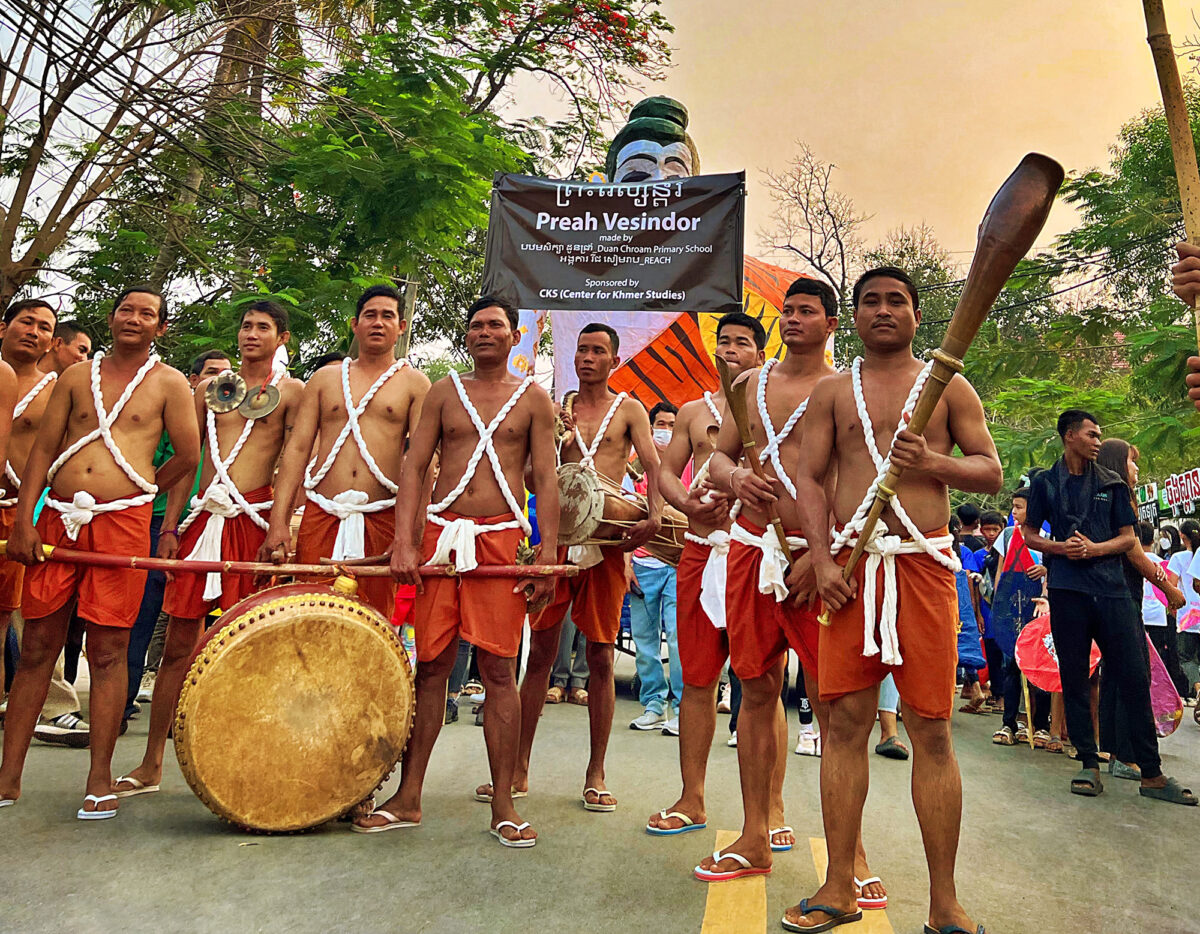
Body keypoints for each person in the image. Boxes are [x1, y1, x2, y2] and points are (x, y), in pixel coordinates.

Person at [794, 266, 1002, 933]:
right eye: (871, 301)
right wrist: (821, 558)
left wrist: (933, 463)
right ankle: (838, 885)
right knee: (846, 726)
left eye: (897, 301)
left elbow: (990, 472)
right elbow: (808, 478)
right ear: (853, 317)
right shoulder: (833, 390)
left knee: (933, 730)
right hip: (852, 573)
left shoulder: (949, 386)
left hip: (923, 569)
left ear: (917, 314)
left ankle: (945, 903)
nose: (884, 311)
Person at [355, 296, 558, 846]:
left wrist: (547, 555)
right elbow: (415, 466)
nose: (484, 332)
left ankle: (504, 803)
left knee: (497, 671)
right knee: (431, 667)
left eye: (495, 325)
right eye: (475, 326)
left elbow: (547, 478)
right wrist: (404, 541)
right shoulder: (445, 392)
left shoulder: (535, 398)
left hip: (500, 541)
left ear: (515, 336)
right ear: (464, 336)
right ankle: (408, 796)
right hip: (442, 537)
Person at [698, 278, 874, 894]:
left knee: (836, 705)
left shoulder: (848, 389)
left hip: (815, 561)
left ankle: (852, 853)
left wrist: (823, 554)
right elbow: (715, 458)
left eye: (808, 312)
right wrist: (737, 478)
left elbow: (861, 476)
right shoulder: (748, 385)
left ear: (832, 324)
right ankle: (753, 833)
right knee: (753, 688)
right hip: (751, 549)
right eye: (789, 311)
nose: (795, 319)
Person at [0, 284, 199, 818]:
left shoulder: (170, 383)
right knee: (38, 644)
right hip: (59, 518)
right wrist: (24, 519)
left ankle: (100, 778)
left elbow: (189, 452)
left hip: (123, 523)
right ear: (111, 318)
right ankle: (8, 777)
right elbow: (43, 447)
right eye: (126, 310)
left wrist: (141, 486)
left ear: (160, 327)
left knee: (108, 651)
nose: (134, 318)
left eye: (147, 314)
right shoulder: (74, 376)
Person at [111, 302, 303, 800]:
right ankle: (153, 760)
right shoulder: (206, 390)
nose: (251, 334)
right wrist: (171, 525)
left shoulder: (293, 392)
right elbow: (189, 458)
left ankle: (246, 765)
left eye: (263, 327)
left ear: (282, 337)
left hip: (255, 521)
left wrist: (280, 525)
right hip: (203, 520)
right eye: (246, 326)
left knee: (253, 647)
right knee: (177, 644)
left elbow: (298, 461)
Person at [496, 323, 660, 813]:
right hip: (558, 540)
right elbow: (530, 475)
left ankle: (596, 773)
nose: (587, 358)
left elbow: (652, 463)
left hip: (606, 541)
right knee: (541, 653)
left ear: (613, 359)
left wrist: (652, 515)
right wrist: (555, 441)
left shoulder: (629, 408)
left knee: (601, 656)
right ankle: (517, 769)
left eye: (598, 351)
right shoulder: (551, 409)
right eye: (582, 350)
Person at [1023, 412, 1195, 805]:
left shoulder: (1112, 483)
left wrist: (1093, 550)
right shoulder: (1045, 483)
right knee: (1074, 675)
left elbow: (1127, 539)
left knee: (1133, 676)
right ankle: (1088, 763)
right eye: (1092, 434)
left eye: (1100, 435)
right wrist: (1057, 548)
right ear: (1070, 436)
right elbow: (1030, 533)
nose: (1098, 441)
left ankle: (1151, 773)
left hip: (1112, 591)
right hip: (1067, 590)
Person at [645, 311, 764, 836]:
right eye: (724, 341)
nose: (730, 349)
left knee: (757, 682)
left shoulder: (774, 403)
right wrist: (687, 507)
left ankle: (772, 810)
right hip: (700, 548)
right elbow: (667, 474)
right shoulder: (694, 411)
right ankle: (691, 798)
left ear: (761, 353)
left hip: (754, 552)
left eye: (742, 342)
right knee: (697, 679)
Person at [262, 284, 429, 617]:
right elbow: (297, 450)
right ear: (355, 325)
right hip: (321, 515)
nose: (378, 323)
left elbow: (421, 463)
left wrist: (411, 536)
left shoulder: (415, 384)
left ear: (402, 326)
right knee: (307, 615)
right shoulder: (325, 378)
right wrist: (278, 523)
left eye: (387, 316)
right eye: (370, 315)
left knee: (372, 624)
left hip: (382, 519)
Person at [124, 348, 232, 719]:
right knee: (145, 615)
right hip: (156, 520)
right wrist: (157, 504)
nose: (220, 380)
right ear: (193, 379)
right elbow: (162, 460)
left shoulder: (233, 411)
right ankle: (123, 700)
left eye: (225, 373)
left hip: (213, 520)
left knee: (202, 623)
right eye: (212, 373)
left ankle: (191, 712)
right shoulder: (172, 408)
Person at [0, 301, 67, 740]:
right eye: (27, 322)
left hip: (25, 514)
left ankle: (55, 707)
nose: (35, 332)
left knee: (24, 616)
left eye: (45, 328)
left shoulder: (56, 389)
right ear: (4, 325)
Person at [629, 401, 682, 733]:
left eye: (672, 424)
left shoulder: (688, 466)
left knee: (678, 640)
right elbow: (621, 519)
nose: (666, 430)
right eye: (660, 424)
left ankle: (681, 708)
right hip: (641, 564)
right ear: (649, 429)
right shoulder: (633, 467)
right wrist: (626, 564)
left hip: (677, 563)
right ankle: (653, 704)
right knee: (644, 641)